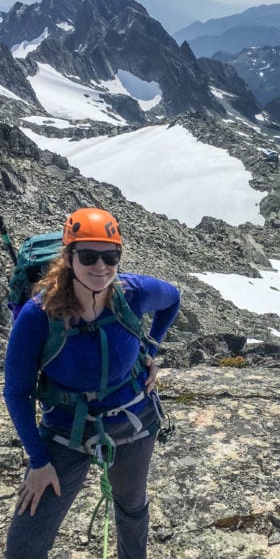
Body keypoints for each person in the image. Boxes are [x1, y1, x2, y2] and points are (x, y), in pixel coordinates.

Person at [3, 207, 181, 559]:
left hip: (133, 419)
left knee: (131, 506)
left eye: (110, 256)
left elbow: (172, 299)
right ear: (69, 257)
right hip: (65, 431)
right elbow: (16, 391)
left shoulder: (132, 293)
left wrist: (150, 348)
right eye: (88, 256)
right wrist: (38, 462)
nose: (101, 266)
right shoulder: (39, 315)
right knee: (24, 545)